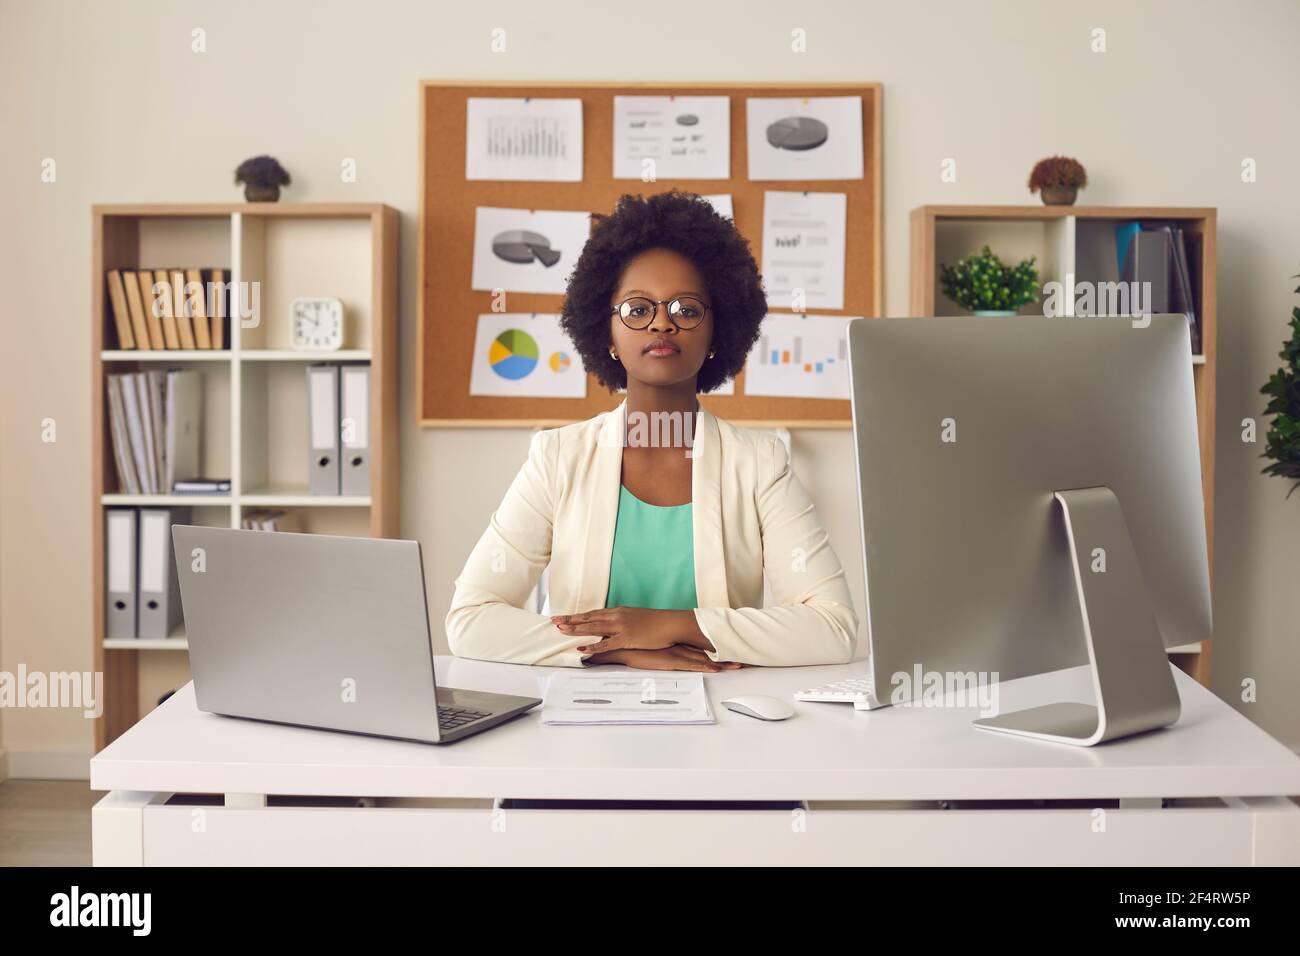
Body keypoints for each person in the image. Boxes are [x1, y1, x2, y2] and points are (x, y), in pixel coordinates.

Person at [445, 190, 857, 672]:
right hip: (581, 723)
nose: (663, 324)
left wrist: (675, 625)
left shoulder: (759, 463)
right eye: (638, 310)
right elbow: (471, 619)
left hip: (723, 720)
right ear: (609, 335)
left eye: (686, 310)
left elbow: (833, 628)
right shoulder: (558, 457)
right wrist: (618, 648)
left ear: (715, 334)